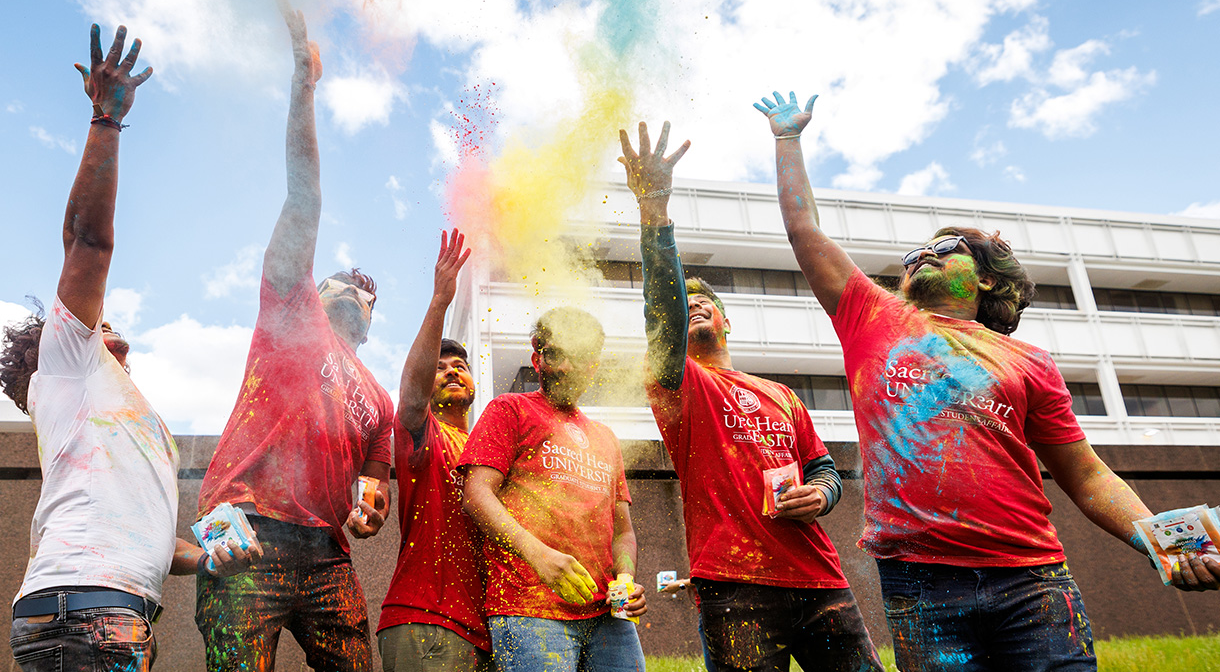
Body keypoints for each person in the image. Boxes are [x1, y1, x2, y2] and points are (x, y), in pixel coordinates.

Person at [754, 90, 1220, 671]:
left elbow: (1086, 473)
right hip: (920, 584)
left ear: (989, 281)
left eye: (943, 248)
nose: (920, 256)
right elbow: (803, 228)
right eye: (913, 254)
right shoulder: (873, 318)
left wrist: (1164, 544)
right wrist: (787, 140)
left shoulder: (1030, 362)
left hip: (1033, 582)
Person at [1, 25, 259, 672]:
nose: (109, 323)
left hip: (101, 605)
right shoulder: (67, 360)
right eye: (98, 321)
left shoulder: (121, 416)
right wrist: (105, 122)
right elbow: (88, 242)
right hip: (92, 612)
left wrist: (210, 554)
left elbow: (146, 540)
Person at [620, 121, 882, 672]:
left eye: (704, 301)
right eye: (683, 302)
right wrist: (654, 207)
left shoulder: (781, 394)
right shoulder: (678, 383)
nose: (692, 306)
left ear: (727, 319)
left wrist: (822, 496)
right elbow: (661, 310)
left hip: (820, 580)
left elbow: (824, 468)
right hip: (734, 587)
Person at [194, 3, 394, 672]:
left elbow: (375, 479)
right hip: (239, 516)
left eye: (367, 296)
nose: (354, 296)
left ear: (371, 321)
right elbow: (303, 197)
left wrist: (371, 507)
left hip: (327, 550)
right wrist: (303, 85)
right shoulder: (292, 307)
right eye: (342, 285)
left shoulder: (379, 400)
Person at [459, 307, 647, 672]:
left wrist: (626, 579)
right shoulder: (509, 409)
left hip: (610, 617)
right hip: (528, 608)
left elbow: (623, 530)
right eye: (556, 354)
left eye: (579, 357)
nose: (566, 368)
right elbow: (476, 494)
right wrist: (540, 556)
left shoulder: (606, 437)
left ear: (593, 365)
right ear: (537, 357)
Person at [377, 228, 492, 671]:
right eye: (440, 368)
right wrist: (440, 302)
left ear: (474, 384)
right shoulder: (420, 431)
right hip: (427, 620)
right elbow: (409, 397)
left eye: (460, 366)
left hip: (489, 628)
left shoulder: (488, 449)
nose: (450, 372)